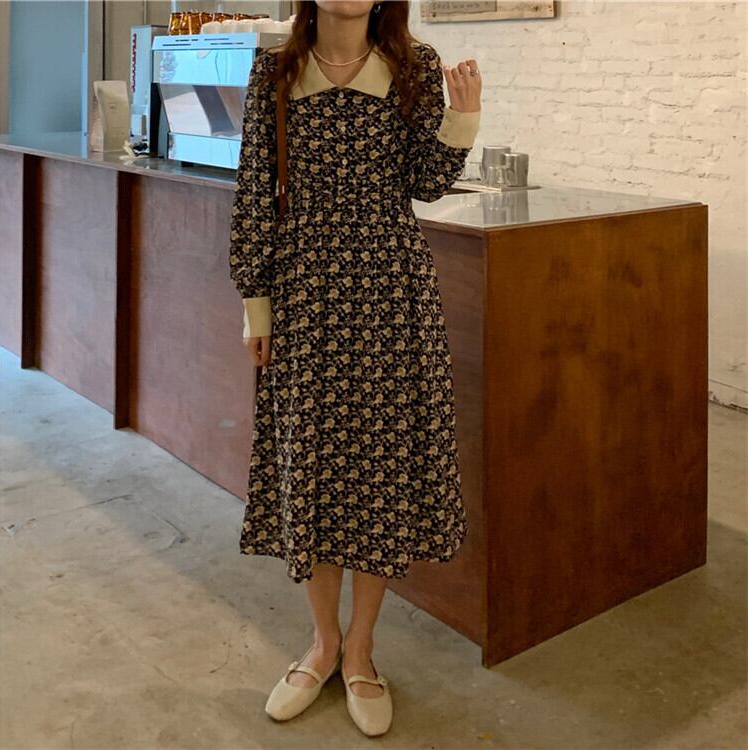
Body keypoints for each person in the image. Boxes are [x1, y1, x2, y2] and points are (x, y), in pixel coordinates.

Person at [228, 0, 481, 737]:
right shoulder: (274, 72)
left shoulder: (414, 66)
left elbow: (427, 181)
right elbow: (254, 192)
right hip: (305, 292)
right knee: (311, 464)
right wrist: (256, 307)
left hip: (390, 292)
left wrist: (462, 118)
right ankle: (323, 643)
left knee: (379, 470)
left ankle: (362, 649)